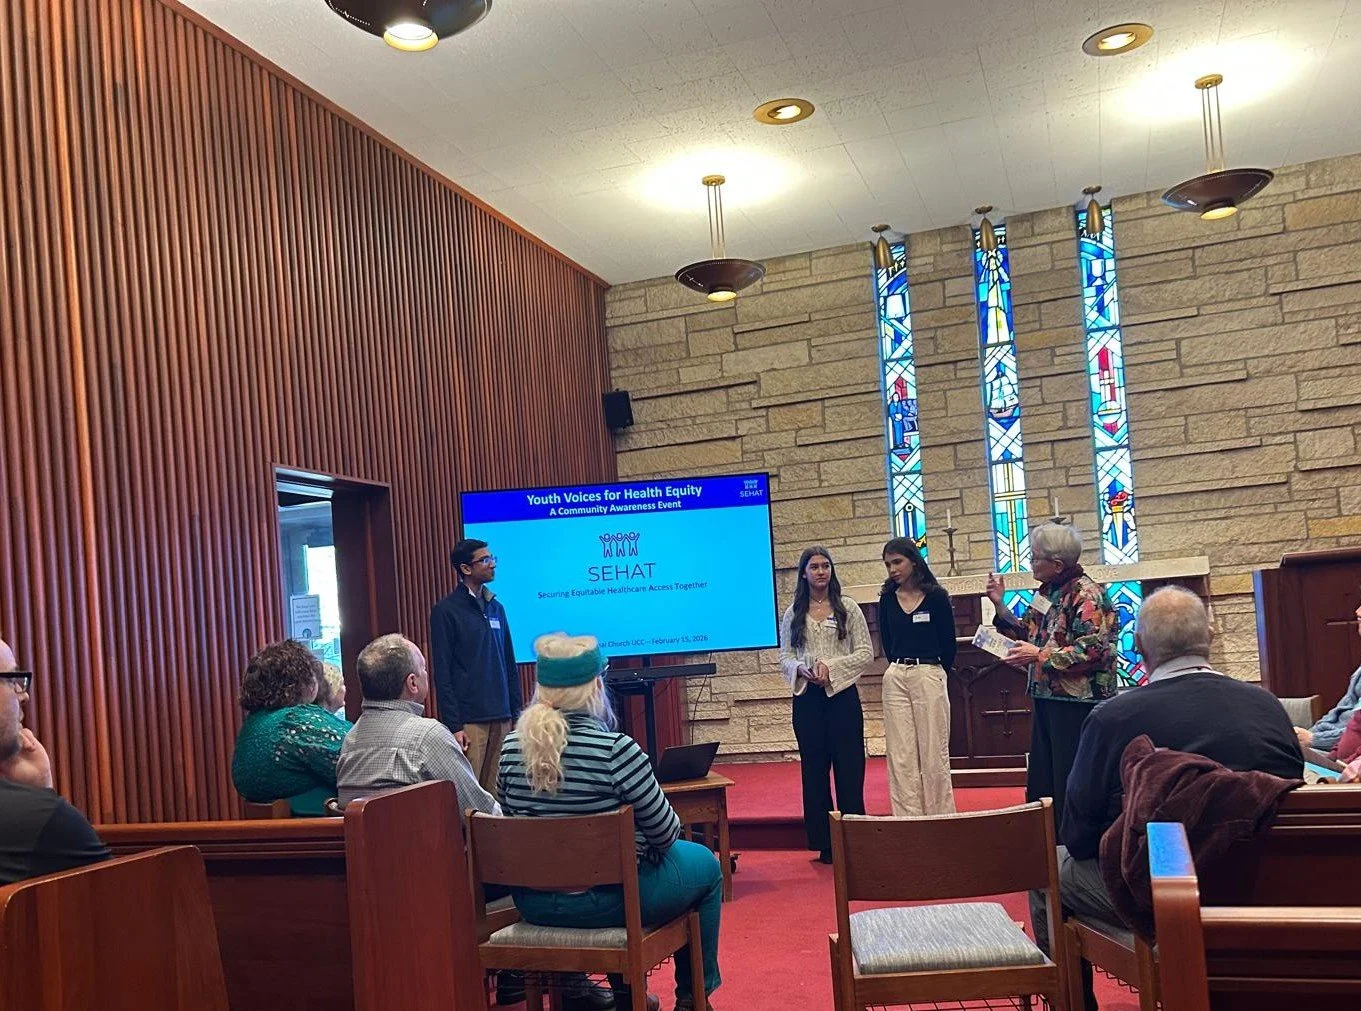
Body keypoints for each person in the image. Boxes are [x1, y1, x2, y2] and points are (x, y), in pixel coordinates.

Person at [1042, 587, 1303, 1010]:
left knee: (1046, 871)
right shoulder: (1267, 706)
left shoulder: (1113, 718)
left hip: (1159, 896)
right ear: (1210, 637)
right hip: (1263, 885)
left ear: (1139, 646)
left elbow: (1078, 837)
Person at [499, 633, 722, 1011]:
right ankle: (691, 997)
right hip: (612, 903)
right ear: (596, 688)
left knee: (613, 869)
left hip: (535, 903)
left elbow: (513, 828)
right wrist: (636, 843)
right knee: (707, 867)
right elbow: (666, 834)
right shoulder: (616, 751)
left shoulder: (510, 750)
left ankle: (607, 994)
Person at [987, 521, 1117, 831]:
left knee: (1068, 775)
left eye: (1035, 558)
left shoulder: (1086, 594)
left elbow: (1093, 650)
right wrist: (999, 605)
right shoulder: (1047, 592)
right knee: (1045, 776)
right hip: (1048, 696)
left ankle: (1072, 841)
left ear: (1057, 564)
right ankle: (1046, 839)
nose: (1031, 563)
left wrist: (1039, 656)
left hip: (1078, 702)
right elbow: (1027, 631)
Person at [336, 634, 499, 816]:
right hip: (420, 836)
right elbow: (481, 812)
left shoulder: (349, 741)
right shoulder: (428, 736)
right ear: (412, 683)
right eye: (424, 669)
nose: (427, 674)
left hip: (363, 836)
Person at [779, 546, 871, 863]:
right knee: (815, 771)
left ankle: (854, 838)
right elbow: (785, 656)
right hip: (808, 701)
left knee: (849, 768)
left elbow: (865, 653)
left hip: (841, 698)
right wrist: (800, 669)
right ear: (804, 574)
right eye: (814, 567)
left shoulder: (848, 608)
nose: (821, 571)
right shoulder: (793, 613)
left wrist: (831, 667)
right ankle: (825, 842)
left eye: (825, 566)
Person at [0, 638, 110, 885]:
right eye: (13, 680)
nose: (24, 695)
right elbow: (122, 903)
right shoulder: (41, 822)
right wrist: (41, 801)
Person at [430, 538, 522, 794]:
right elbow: (442, 672)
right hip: (470, 720)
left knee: (497, 792)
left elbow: (509, 662)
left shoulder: (497, 608)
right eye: (485, 560)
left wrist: (515, 713)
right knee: (471, 793)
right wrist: (454, 725)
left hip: (502, 715)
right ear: (465, 568)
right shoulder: (446, 611)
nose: (492, 564)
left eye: (492, 558)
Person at [877, 536, 957, 816]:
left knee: (934, 752)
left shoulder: (936, 597)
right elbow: (887, 643)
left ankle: (940, 818)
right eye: (888, 564)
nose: (892, 569)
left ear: (913, 560)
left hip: (929, 672)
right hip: (896, 675)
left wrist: (933, 672)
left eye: (897, 562)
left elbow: (949, 645)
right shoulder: (887, 599)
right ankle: (907, 821)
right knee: (901, 756)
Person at [230, 641, 351, 816]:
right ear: (304, 683)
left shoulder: (253, 724)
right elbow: (360, 752)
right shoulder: (293, 722)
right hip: (323, 826)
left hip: (285, 828)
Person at [1293, 598, 1361, 752]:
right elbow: (1339, 712)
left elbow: (1356, 734)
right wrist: (1308, 734)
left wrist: (1314, 739)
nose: (1357, 611)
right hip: (1327, 745)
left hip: (1345, 755)